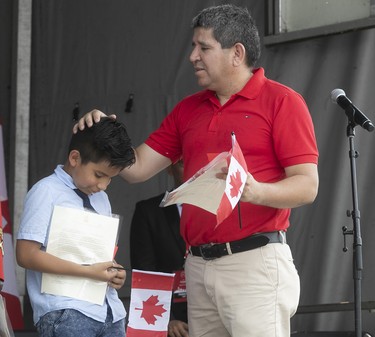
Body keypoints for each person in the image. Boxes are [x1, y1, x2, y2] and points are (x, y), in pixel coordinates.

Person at [75, 4, 319, 337]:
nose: (192, 56)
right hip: (198, 267)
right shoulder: (187, 109)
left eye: (203, 47)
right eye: (194, 46)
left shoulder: (282, 101)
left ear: (237, 53)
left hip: (253, 262)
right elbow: (136, 168)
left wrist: (256, 190)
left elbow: (307, 186)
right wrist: (102, 134)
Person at [16, 117, 135, 337]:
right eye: (99, 175)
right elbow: (25, 254)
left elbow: (98, 254)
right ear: (74, 158)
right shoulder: (46, 191)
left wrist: (114, 272)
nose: (103, 185)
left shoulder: (102, 199)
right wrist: (87, 271)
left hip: (110, 313)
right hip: (66, 311)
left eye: (111, 179)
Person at [130, 160, 189, 337]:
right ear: (169, 168)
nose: (192, 168)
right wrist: (165, 318)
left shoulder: (217, 209)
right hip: (174, 322)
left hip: (215, 315)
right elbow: (144, 271)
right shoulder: (148, 211)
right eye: (183, 163)